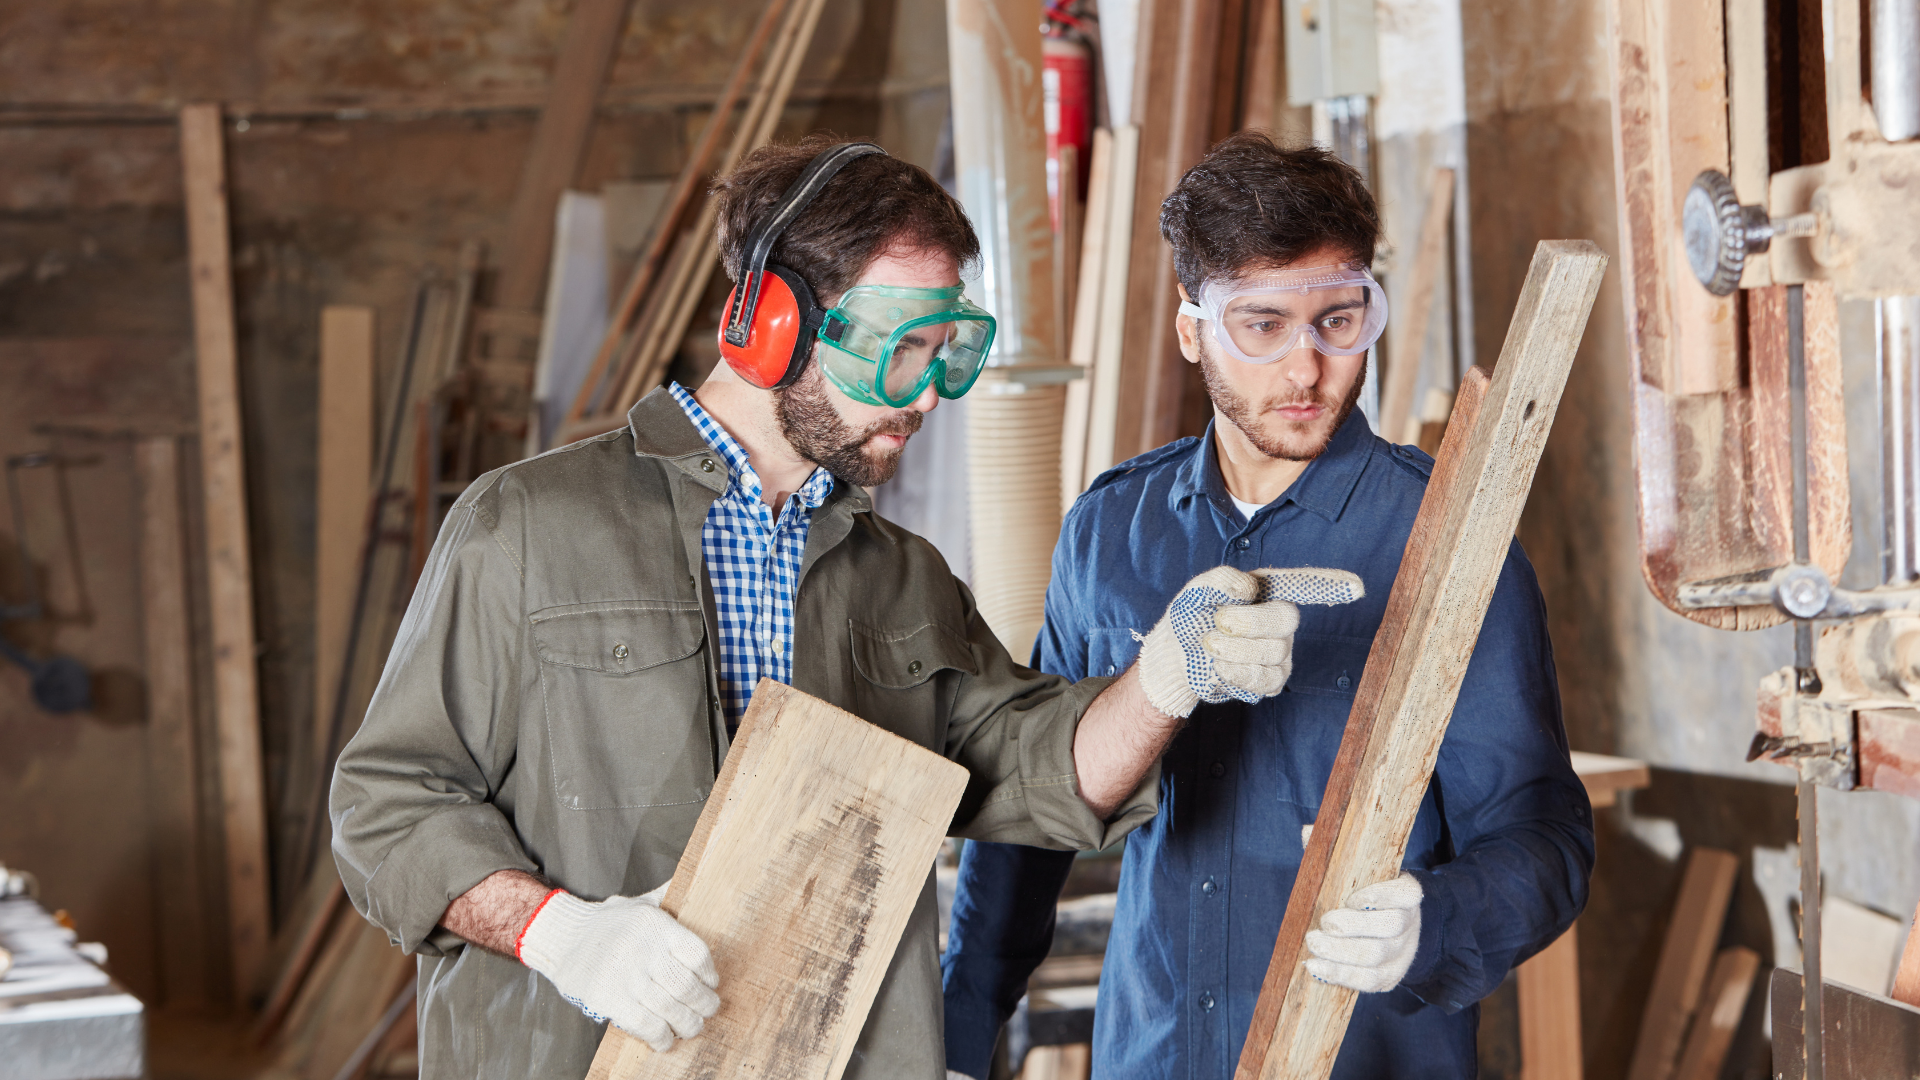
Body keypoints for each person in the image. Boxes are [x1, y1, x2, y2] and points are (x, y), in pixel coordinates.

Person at [329, 137, 1340, 1080]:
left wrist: (1166, 676)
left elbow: (1035, 769)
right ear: (770, 326)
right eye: (898, 350)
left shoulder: (899, 577)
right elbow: (387, 805)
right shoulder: (530, 527)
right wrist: (559, 930)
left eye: (946, 351)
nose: (929, 394)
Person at [940, 132, 1596, 1080]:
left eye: (1339, 320)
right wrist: (964, 1032)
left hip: (1367, 1059)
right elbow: (1030, 813)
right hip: (1155, 1054)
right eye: (1261, 325)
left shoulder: (1451, 538)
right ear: (1191, 329)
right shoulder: (1112, 533)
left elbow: (1545, 833)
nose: (1305, 369)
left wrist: (1438, 919)